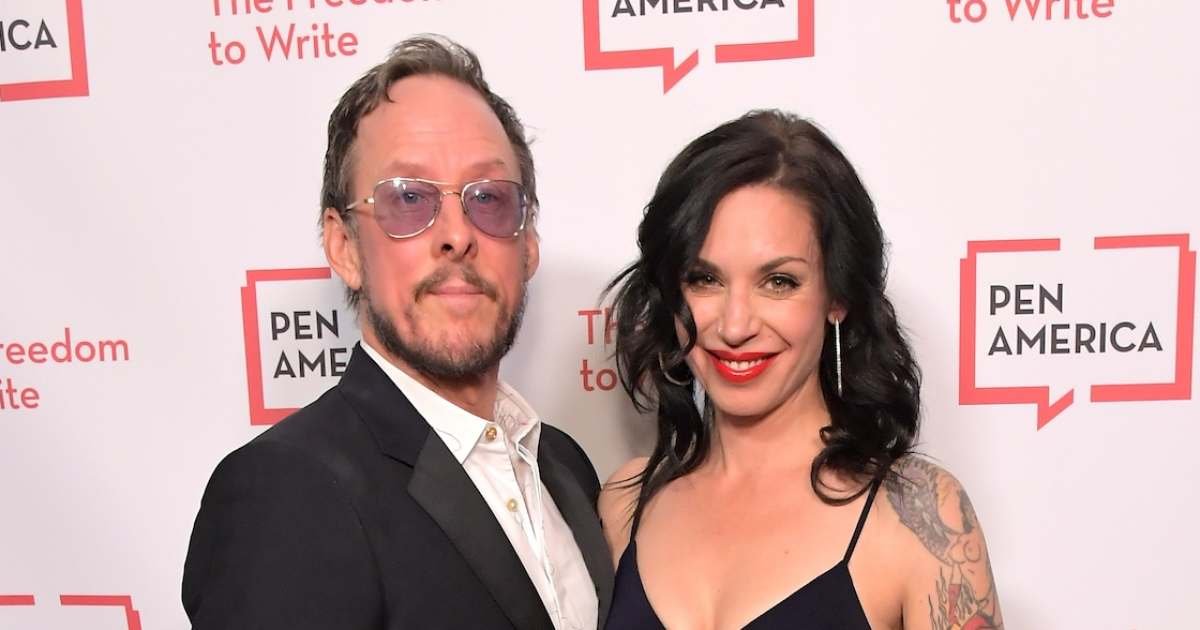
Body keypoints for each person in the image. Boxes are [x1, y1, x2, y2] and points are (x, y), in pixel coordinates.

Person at [183, 36, 612, 630]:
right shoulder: (287, 491)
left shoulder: (563, 465)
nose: (457, 235)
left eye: (489, 198)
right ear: (344, 247)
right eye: (408, 199)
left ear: (529, 243)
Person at [600, 110, 1003, 629]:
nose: (735, 325)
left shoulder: (919, 515)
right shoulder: (626, 502)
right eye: (705, 279)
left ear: (837, 296)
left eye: (779, 282)